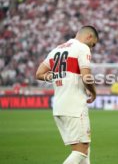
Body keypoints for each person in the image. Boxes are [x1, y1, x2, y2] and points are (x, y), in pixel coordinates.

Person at [36, 26, 98, 164]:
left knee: (84, 148)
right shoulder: (82, 48)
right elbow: (86, 77)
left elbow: (39, 74)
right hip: (74, 106)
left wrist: (60, 76)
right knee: (81, 151)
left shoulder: (56, 50)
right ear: (89, 36)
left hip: (59, 107)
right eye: (93, 44)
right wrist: (93, 92)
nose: (92, 47)